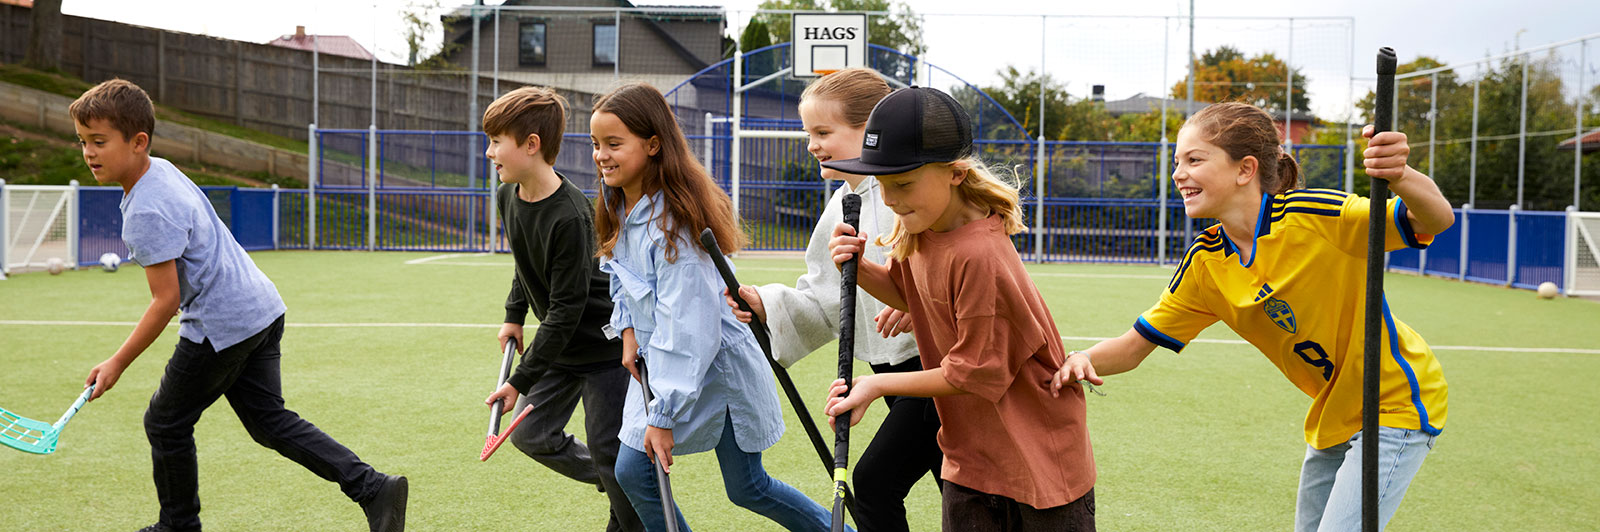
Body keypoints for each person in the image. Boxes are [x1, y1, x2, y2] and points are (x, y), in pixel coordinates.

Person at [1051, 102, 1450, 531]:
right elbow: (1133, 348)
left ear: (1245, 169)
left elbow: (1434, 218)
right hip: (1335, 414)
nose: (1178, 174)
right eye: (1176, 162)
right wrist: (1082, 358)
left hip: (1394, 402)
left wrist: (1401, 176)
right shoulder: (1206, 264)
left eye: (1194, 159)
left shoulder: (1315, 218)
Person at [73, 79, 408, 532]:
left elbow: (165, 300)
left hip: (223, 324)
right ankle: (373, 487)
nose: (89, 153)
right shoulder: (161, 170)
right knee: (269, 421)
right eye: (83, 141)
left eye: (99, 141)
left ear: (138, 143)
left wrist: (117, 362)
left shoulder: (146, 211)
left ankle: (178, 526)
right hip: (262, 308)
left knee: (166, 422)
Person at [824, 86, 1097, 532]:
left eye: (903, 183)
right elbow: (909, 293)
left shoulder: (980, 254)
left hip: (1039, 461)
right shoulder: (921, 230)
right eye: (882, 184)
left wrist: (875, 385)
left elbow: (975, 372)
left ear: (955, 173)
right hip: (971, 456)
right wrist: (858, 266)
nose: (889, 199)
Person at [591, 82, 848, 532]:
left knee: (747, 486)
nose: (601, 155)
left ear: (652, 145)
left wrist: (663, 414)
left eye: (614, 144)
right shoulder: (619, 206)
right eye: (596, 144)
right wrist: (629, 330)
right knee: (633, 470)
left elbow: (690, 332)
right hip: (668, 363)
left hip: (715, 366)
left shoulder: (672, 229)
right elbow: (621, 279)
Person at [723, 67, 941, 532]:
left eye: (824, 131)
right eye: (809, 133)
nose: (812, 144)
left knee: (879, 483)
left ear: (872, 131)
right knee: (961, 488)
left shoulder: (909, 193)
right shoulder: (841, 203)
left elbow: (945, 271)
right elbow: (826, 301)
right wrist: (765, 303)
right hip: (890, 373)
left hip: (936, 369)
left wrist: (914, 301)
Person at [479, 86, 643, 532]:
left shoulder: (571, 215)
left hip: (601, 349)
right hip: (559, 348)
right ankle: (624, 486)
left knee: (611, 454)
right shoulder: (507, 196)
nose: (489, 152)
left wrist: (519, 381)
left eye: (497, 141)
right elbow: (524, 263)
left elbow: (567, 310)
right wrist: (514, 314)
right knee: (532, 435)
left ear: (531, 145)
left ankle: (626, 493)